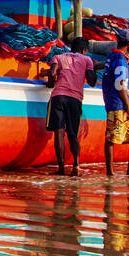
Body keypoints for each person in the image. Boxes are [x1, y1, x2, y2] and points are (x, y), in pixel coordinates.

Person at [45, 36, 98, 176]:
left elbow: (52, 73)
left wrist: (50, 84)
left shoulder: (58, 57)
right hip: (75, 99)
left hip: (58, 97)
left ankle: (61, 168)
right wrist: (94, 68)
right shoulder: (87, 60)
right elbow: (92, 81)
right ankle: (76, 165)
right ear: (84, 50)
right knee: (73, 134)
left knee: (59, 133)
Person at [102, 28, 129, 177]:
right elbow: (120, 84)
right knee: (111, 138)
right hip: (119, 105)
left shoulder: (114, 57)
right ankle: (110, 173)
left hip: (118, 103)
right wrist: (128, 106)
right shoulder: (119, 60)